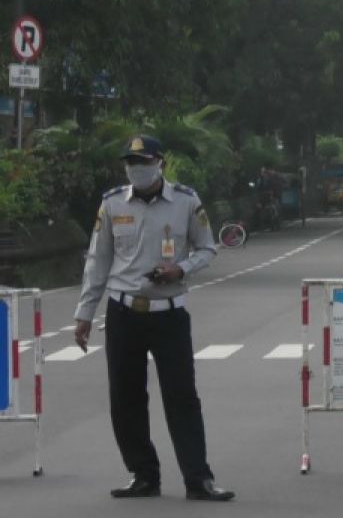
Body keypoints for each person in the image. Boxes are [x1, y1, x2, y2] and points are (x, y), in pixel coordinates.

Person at [72, 135, 235, 501]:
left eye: (143, 161)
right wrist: (84, 314)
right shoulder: (112, 203)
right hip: (123, 313)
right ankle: (143, 475)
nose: (136, 168)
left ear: (160, 162)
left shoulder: (186, 202)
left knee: (182, 398)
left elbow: (208, 247)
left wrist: (181, 269)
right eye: (130, 162)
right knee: (125, 399)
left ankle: (199, 479)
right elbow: (97, 262)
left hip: (169, 314)